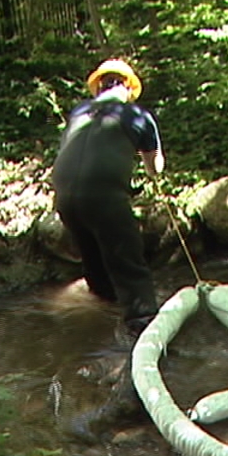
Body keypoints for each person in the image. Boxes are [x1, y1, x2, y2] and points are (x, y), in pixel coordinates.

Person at [52, 59, 165, 336]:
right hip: (104, 197)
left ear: (99, 87)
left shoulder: (79, 112)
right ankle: (144, 327)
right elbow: (155, 167)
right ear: (128, 86)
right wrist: (150, 166)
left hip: (64, 198)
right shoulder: (136, 115)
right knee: (129, 264)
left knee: (95, 262)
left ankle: (100, 326)